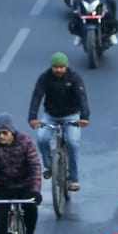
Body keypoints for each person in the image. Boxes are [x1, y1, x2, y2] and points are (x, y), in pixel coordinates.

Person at [29, 52, 90, 192]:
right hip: (50, 115)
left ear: (66, 67)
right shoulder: (44, 78)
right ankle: (50, 166)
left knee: (72, 143)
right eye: (56, 67)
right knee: (42, 138)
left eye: (61, 67)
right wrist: (32, 117)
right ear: (52, 67)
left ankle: (74, 179)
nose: (58, 70)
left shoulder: (74, 78)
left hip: (71, 116)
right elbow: (37, 96)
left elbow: (82, 98)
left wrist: (85, 117)